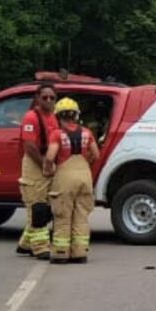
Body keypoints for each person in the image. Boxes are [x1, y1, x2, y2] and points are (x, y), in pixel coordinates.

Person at [44, 97, 99, 264]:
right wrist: (84, 165)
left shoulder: (57, 134)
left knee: (62, 214)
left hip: (65, 176)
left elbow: (50, 156)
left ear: (58, 116)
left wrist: (48, 168)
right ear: (76, 115)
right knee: (81, 215)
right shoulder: (87, 133)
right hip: (84, 175)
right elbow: (96, 155)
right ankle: (80, 253)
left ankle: (61, 252)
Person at [17, 82, 61, 260]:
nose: (49, 100)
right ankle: (40, 247)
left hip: (46, 162)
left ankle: (26, 243)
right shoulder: (31, 117)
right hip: (36, 163)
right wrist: (44, 163)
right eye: (45, 97)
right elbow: (29, 146)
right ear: (37, 98)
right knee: (37, 207)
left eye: (52, 97)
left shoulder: (53, 117)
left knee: (44, 204)